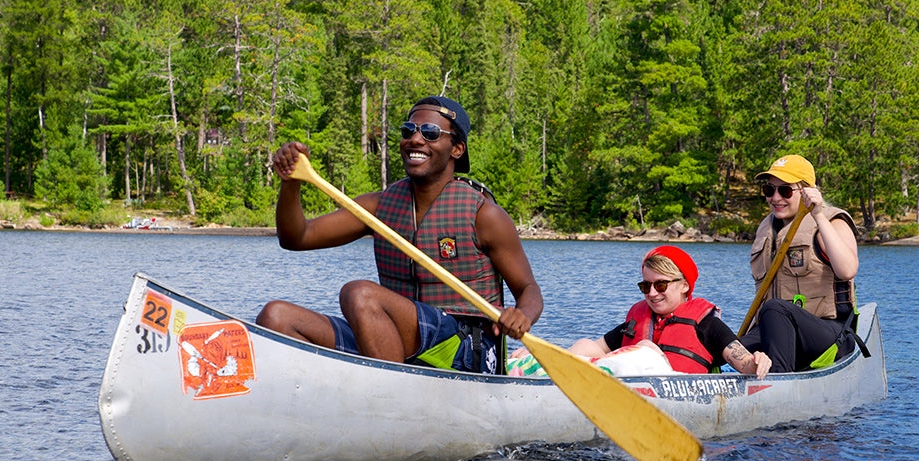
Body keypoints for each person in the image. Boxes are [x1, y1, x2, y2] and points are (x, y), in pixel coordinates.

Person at [257, 96, 543, 374]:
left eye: (431, 133)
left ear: (456, 149)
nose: (416, 140)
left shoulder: (485, 215)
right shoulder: (380, 206)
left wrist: (523, 315)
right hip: (393, 340)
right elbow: (297, 238)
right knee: (276, 317)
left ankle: (389, 399)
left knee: (359, 294)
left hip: (466, 349)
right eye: (409, 130)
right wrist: (291, 183)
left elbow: (529, 290)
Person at [552, 245, 771, 378]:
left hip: (678, 398)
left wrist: (758, 361)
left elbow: (746, 364)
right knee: (584, 344)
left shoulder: (707, 325)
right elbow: (595, 348)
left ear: (684, 285)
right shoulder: (636, 321)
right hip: (628, 391)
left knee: (645, 347)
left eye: (661, 285)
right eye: (646, 286)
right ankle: (545, 368)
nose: (652, 293)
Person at [737, 154, 862, 373]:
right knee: (722, 348)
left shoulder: (832, 222)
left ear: (806, 191)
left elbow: (847, 269)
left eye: (785, 191)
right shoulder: (766, 228)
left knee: (775, 309)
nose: (775, 198)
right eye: (769, 190)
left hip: (828, 335)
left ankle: (777, 386)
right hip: (774, 331)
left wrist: (818, 215)